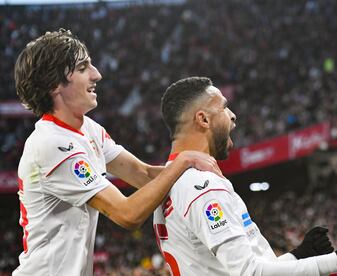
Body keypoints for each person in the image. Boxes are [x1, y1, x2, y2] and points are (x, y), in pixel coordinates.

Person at [12, 29, 222, 276]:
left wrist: (202, 184)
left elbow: (141, 173)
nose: (96, 74)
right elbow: (127, 214)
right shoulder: (51, 143)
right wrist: (184, 160)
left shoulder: (87, 129)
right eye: (83, 68)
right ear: (54, 85)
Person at [153, 76, 337, 275]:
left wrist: (297, 256)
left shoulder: (169, 183)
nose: (233, 116)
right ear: (203, 119)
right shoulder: (202, 184)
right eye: (224, 108)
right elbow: (251, 273)